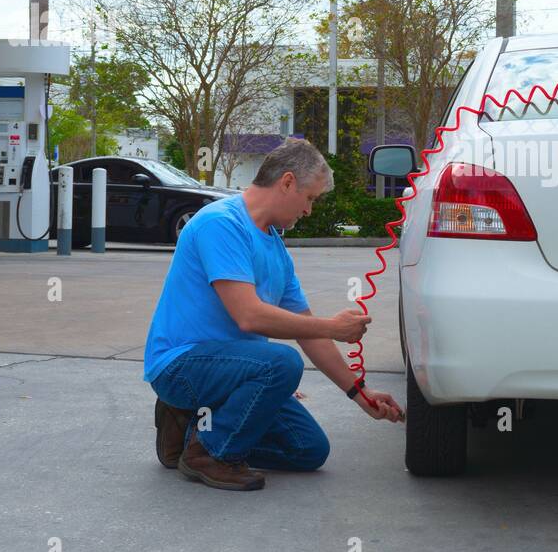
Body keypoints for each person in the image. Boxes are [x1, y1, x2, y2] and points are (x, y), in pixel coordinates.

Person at [142, 138, 403, 491]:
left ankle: (190, 428)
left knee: (308, 449)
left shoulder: (275, 248)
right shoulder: (221, 224)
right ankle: (207, 453)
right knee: (281, 363)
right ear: (287, 182)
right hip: (182, 366)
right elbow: (248, 317)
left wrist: (360, 393)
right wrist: (334, 327)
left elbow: (308, 332)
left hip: (235, 370)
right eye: (310, 198)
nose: (309, 210)